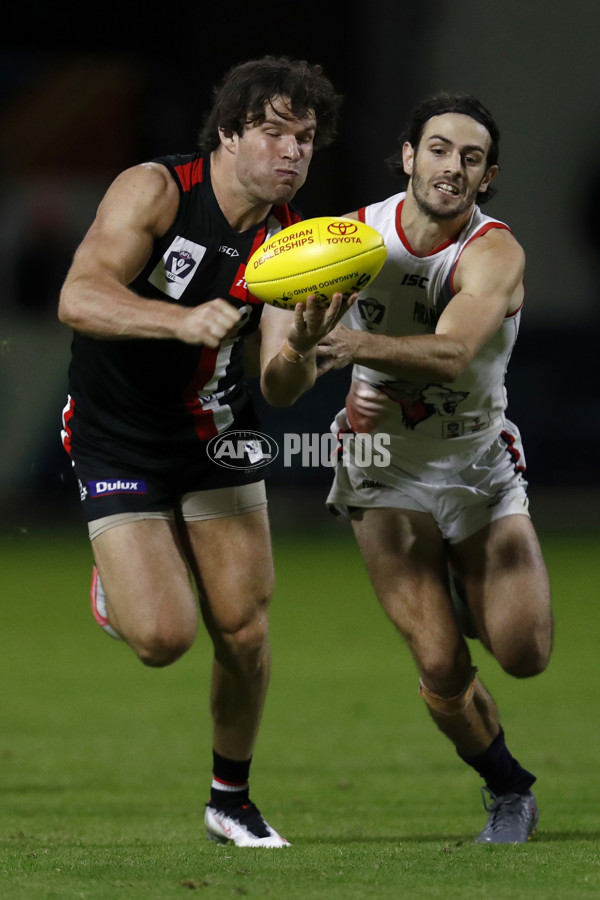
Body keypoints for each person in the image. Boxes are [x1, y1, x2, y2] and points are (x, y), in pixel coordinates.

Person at [58, 56, 351, 848]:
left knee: (246, 631)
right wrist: (179, 321)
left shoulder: (292, 242)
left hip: (218, 433)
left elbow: (282, 386)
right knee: (163, 638)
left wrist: (309, 347)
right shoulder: (156, 189)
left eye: (307, 138)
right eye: (274, 132)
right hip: (118, 432)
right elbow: (77, 295)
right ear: (227, 134)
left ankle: (231, 798)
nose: (293, 152)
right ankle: (120, 585)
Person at [317, 93, 553, 843]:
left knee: (524, 654)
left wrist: (356, 352)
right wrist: (297, 345)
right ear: (409, 156)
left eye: (472, 157)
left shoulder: (493, 251)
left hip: (477, 464)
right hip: (383, 468)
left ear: (487, 178)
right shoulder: (347, 239)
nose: (454, 166)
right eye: (441, 149)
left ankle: (461, 575)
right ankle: (510, 788)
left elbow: (452, 356)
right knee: (443, 666)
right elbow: (284, 365)